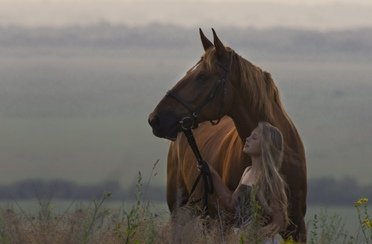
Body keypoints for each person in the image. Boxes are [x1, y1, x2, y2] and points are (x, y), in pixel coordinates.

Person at [208, 121, 290, 241]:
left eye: (254, 137)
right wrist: (211, 173)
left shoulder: (271, 180)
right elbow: (231, 203)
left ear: (266, 146)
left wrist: (254, 235)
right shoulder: (247, 172)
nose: (247, 139)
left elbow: (279, 223)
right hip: (241, 239)